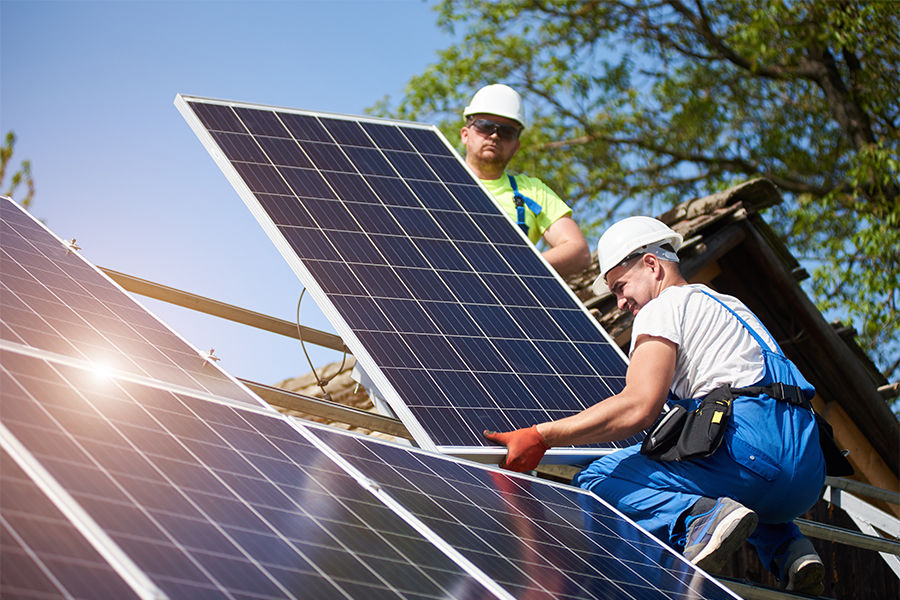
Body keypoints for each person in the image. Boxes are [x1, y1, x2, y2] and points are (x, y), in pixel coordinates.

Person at [483, 216, 827, 595]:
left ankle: (700, 521)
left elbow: (639, 407)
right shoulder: (731, 307)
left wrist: (541, 434)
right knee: (727, 476)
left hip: (751, 453)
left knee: (598, 480)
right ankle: (790, 550)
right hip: (807, 472)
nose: (619, 303)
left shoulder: (663, 308)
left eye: (620, 286)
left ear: (651, 263)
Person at [461, 84, 591, 277]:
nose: (495, 135)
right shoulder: (430, 182)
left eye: (507, 132)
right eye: (485, 126)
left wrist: (515, 269)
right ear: (465, 134)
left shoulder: (533, 191)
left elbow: (578, 251)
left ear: (516, 146)